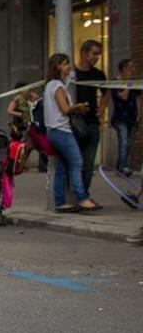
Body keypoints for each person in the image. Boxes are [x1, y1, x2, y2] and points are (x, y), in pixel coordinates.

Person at [43, 53, 100, 213]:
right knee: (77, 163)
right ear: (58, 66)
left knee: (62, 168)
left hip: (52, 131)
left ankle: (60, 202)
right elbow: (65, 109)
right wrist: (79, 107)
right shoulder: (57, 86)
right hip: (62, 131)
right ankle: (82, 198)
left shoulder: (49, 86)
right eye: (66, 63)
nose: (70, 66)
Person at [73, 39, 109, 192]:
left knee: (88, 164)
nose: (96, 57)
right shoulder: (73, 73)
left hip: (92, 123)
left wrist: (101, 109)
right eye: (94, 53)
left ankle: (83, 195)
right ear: (84, 53)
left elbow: (107, 93)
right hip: (75, 123)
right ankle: (75, 194)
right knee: (76, 162)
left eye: (99, 55)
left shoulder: (98, 74)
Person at [110, 59, 141, 174]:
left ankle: (120, 166)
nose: (133, 70)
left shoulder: (135, 82)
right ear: (123, 69)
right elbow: (122, 97)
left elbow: (138, 98)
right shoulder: (115, 82)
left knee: (129, 143)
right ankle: (124, 167)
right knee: (123, 142)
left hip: (132, 117)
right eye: (130, 68)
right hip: (120, 118)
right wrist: (128, 85)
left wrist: (139, 114)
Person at [8, 82, 47, 172]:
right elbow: (9, 110)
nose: (28, 90)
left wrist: (35, 99)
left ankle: (21, 165)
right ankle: (18, 165)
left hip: (29, 126)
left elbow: (35, 107)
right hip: (20, 127)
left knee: (30, 146)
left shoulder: (26, 100)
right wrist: (20, 114)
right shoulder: (16, 99)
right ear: (20, 90)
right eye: (26, 88)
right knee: (26, 146)